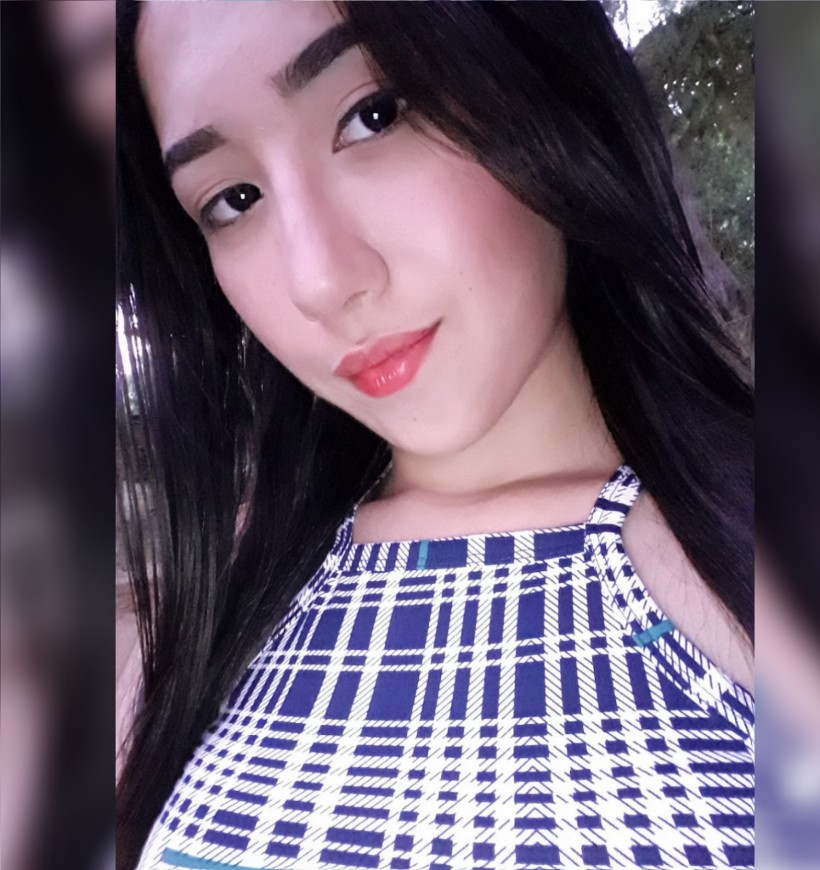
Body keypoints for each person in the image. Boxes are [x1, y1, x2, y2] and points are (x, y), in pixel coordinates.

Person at [116, 2, 754, 868]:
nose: (320, 280)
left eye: (373, 115)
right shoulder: (201, 620)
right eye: (234, 200)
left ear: (536, 72)